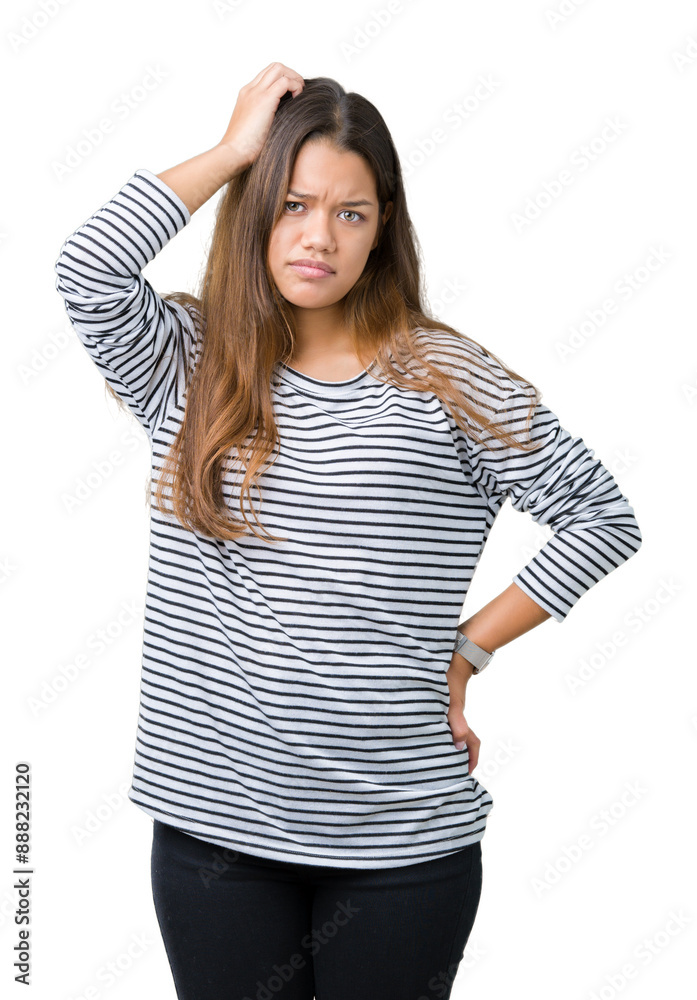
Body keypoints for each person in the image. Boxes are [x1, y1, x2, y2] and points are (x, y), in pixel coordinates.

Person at [54, 61, 643, 1000]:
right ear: (256, 213)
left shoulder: (446, 379)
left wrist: (466, 654)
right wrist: (232, 150)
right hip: (214, 840)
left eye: (350, 213)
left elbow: (600, 517)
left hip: (398, 850)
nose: (318, 237)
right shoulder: (190, 363)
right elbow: (87, 271)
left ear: (383, 228)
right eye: (291, 204)